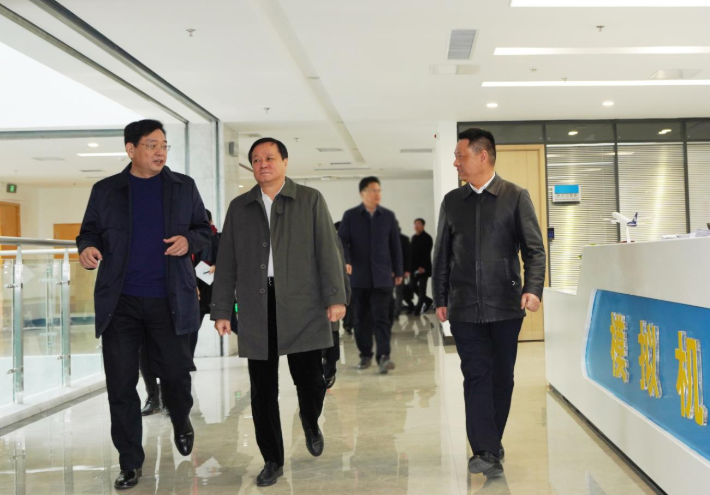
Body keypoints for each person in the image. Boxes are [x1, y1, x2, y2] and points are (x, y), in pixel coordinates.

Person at [76, 119, 211, 490]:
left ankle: (181, 417)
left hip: (169, 299)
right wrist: (87, 248)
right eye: (152, 145)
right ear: (130, 148)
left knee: (176, 375)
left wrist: (189, 241)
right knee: (121, 384)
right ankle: (130, 462)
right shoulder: (106, 190)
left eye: (164, 145)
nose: (160, 151)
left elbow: (204, 230)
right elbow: (88, 232)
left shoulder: (184, 187)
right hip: (120, 303)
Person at [211, 137, 347, 487]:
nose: (263, 164)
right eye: (256, 160)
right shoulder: (240, 207)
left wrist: (335, 297)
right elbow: (226, 261)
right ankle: (272, 458)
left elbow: (327, 251)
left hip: (303, 303)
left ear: (285, 162)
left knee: (311, 380)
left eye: (269, 158)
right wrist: (222, 309)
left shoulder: (310, 200)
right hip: (257, 306)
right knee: (262, 390)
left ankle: (310, 420)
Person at [433, 128, 545, 478]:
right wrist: (440, 297)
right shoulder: (453, 202)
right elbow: (442, 255)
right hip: (464, 306)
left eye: (460, 156)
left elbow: (534, 250)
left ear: (483, 156)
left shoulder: (515, 196)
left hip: (505, 306)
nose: (456, 163)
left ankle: (491, 442)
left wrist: (533, 288)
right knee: (476, 375)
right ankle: (484, 450)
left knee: (501, 378)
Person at [338, 177, 403, 375]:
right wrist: (346, 260)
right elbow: (342, 241)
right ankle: (365, 354)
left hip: (382, 278)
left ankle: (384, 357)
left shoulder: (388, 216)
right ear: (363, 193)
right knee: (361, 319)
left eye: (379, 190)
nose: (377, 194)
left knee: (382, 318)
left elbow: (395, 246)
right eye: (373, 190)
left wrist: (399, 271)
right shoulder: (350, 216)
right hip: (358, 278)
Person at [322, 222, 352, 390]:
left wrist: (344, 296)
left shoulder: (332, 237)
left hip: (330, 296)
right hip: (306, 298)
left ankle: (329, 371)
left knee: (332, 335)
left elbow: (340, 267)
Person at [192, 209, 220, 367]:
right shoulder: (193, 237)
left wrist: (216, 265)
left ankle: (254, 348)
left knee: (231, 320)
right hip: (198, 284)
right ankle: (188, 360)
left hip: (212, 284)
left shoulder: (216, 236)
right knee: (194, 326)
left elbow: (223, 256)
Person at [410, 218, 434, 315]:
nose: (416, 226)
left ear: (423, 226)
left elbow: (426, 254)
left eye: (419, 224)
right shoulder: (414, 238)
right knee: (412, 286)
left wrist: (422, 267)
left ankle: (417, 310)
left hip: (424, 268)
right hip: (414, 268)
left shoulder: (427, 238)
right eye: (415, 224)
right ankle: (427, 300)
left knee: (422, 289)